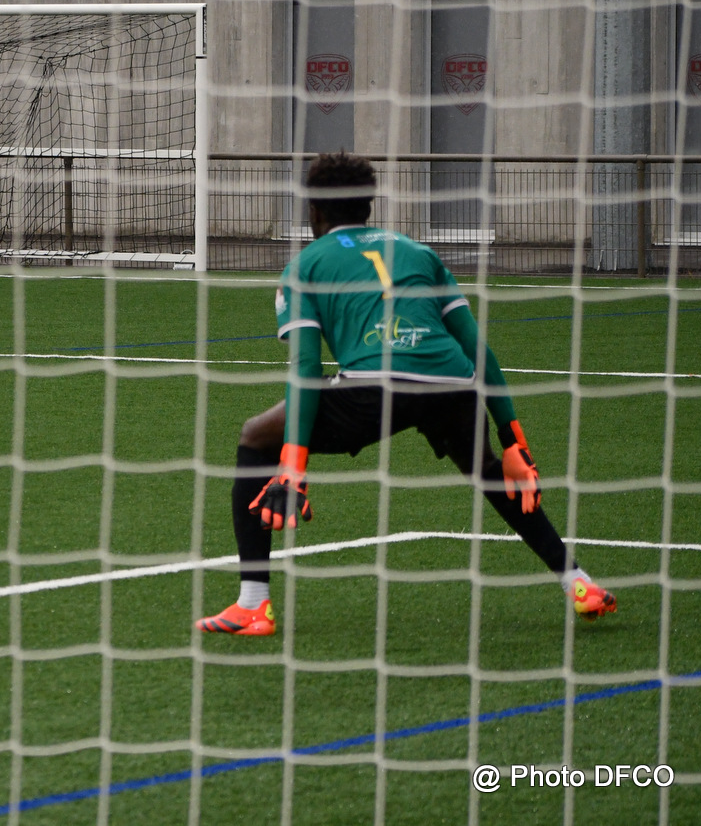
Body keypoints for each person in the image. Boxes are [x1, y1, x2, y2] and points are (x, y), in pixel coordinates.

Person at [196, 152, 615, 636]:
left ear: (313, 210)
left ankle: (253, 604)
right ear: (368, 207)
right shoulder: (419, 253)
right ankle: (578, 582)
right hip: (453, 384)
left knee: (255, 436)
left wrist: (293, 466)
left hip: (375, 389)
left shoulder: (305, 265)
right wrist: (514, 439)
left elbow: (307, 369)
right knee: (489, 471)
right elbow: (477, 348)